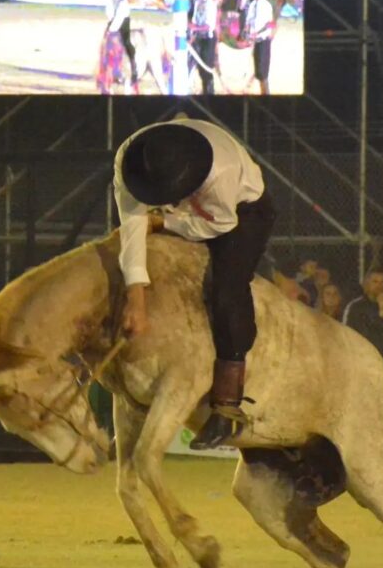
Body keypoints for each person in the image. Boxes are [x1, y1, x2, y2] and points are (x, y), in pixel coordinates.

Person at [115, 117, 274, 449]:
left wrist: (163, 222)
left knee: (227, 291)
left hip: (240, 215)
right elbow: (132, 223)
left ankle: (228, 406)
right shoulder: (130, 160)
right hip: (186, 213)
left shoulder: (222, 173)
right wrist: (136, 296)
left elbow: (219, 225)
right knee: (140, 271)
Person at [342, 267, 383, 368]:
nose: (379, 286)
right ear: (367, 284)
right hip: (362, 361)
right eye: (375, 282)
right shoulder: (355, 307)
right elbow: (347, 335)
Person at [244, 0, 275, 95]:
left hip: (263, 41)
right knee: (258, 72)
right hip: (256, 42)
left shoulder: (266, 5)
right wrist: (246, 31)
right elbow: (249, 21)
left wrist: (257, 33)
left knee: (263, 73)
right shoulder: (252, 5)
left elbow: (269, 24)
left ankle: (266, 94)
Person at [189, 0, 219, 95]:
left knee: (207, 68)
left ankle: (210, 92)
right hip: (198, 39)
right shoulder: (198, 3)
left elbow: (209, 25)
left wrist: (195, 28)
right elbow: (194, 20)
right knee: (200, 69)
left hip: (208, 39)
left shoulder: (211, 4)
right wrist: (193, 32)